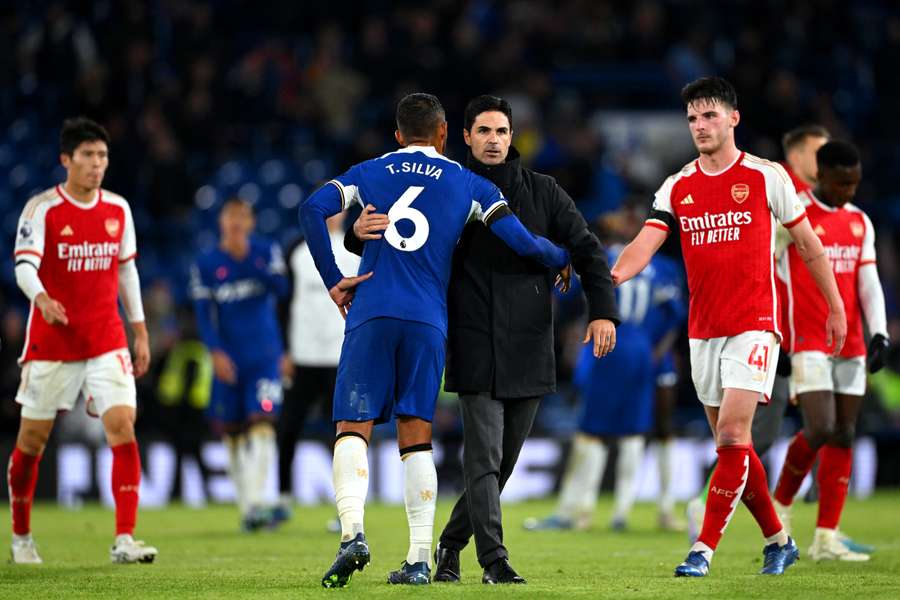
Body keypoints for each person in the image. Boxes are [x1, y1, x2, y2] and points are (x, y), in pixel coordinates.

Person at [299, 92, 570, 588]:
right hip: (428, 321)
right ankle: (421, 557)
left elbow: (310, 210)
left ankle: (353, 534)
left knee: (352, 426)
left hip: (372, 311)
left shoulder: (368, 172)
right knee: (415, 434)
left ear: (398, 135)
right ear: (445, 134)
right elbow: (524, 243)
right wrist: (559, 255)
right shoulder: (469, 184)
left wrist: (334, 275)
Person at [349, 94, 619, 585]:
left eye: (501, 132)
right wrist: (354, 234)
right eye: (484, 132)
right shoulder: (446, 186)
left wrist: (603, 313)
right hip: (471, 339)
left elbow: (588, 251)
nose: (493, 141)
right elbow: (391, 232)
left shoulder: (544, 192)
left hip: (530, 343)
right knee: (483, 459)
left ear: (512, 137)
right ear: (464, 137)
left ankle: (450, 545)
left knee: (501, 464)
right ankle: (494, 561)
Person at [611, 76, 847, 577]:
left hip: (755, 325)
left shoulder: (767, 176)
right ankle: (779, 540)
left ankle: (702, 550)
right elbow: (643, 246)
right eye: (693, 118)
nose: (700, 125)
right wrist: (606, 276)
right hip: (703, 332)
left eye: (710, 115)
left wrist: (835, 306)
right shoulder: (678, 186)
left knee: (736, 434)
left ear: (733, 118)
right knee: (732, 449)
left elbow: (807, 245)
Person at [8, 117, 157, 564]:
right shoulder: (42, 210)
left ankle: (125, 538)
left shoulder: (118, 209)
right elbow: (23, 267)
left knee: (123, 425)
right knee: (33, 440)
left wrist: (140, 328)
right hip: (53, 342)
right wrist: (42, 298)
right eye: (88, 156)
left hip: (107, 339)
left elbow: (126, 269)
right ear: (66, 160)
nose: (97, 165)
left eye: (103, 156)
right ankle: (20, 537)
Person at [685, 124, 832, 540]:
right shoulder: (771, 185)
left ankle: (797, 527)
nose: (822, 164)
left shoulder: (788, 190)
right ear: (799, 154)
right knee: (753, 433)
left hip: (784, 331)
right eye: (818, 154)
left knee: (810, 424)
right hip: (761, 331)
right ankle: (716, 509)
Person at [523, 209, 684, 533]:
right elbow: (677, 315)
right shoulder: (661, 268)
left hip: (607, 342)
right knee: (636, 431)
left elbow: (566, 296)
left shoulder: (600, 257)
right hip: (645, 350)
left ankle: (576, 511)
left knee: (592, 430)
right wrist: (659, 351)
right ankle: (623, 511)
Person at [771, 140, 890, 561]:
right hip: (807, 338)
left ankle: (826, 537)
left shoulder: (860, 221)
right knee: (819, 427)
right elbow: (767, 273)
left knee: (844, 433)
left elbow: (868, 284)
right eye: (842, 183)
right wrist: (775, 334)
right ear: (820, 175)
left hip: (852, 342)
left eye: (855, 183)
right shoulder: (792, 216)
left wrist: (879, 334)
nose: (849, 192)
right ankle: (780, 510)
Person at [190, 198, 290, 531]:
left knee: (262, 423)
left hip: (263, 356)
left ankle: (258, 501)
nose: (236, 222)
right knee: (232, 433)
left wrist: (248, 259)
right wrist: (215, 353)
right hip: (228, 360)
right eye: (230, 217)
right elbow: (204, 316)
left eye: (242, 217)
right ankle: (247, 506)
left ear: (250, 222)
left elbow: (282, 289)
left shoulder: (265, 251)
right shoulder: (206, 263)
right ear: (222, 222)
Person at [276, 212, 360, 517]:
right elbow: (283, 304)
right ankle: (282, 498)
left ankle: (347, 506)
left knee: (342, 433)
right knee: (287, 428)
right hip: (302, 357)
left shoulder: (353, 248)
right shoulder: (296, 250)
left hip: (340, 356)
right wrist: (284, 350)